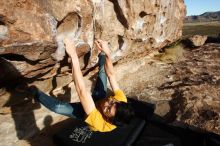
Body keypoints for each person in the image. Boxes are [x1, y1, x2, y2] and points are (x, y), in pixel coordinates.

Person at [30, 38, 134, 132]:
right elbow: (111, 75)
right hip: (98, 99)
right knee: (103, 73)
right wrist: (107, 53)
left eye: (108, 109)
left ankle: (32, 91)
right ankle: (101, 54)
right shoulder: (121, 100)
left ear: (108, 119)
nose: (107, 103)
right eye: (112, 102)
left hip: (85, 112)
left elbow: (82, 91)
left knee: (57, 107)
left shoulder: (100, 124)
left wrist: (73, 56)